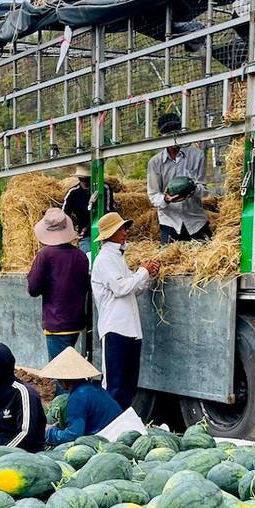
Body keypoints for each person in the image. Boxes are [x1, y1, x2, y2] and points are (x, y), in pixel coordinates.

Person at [90, 212, 158, 411]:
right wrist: (142, 272)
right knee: (115, 386)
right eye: (120, 229)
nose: (124, 232)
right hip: (115, 329)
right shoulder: (104, 260)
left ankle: (121, 425)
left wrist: (149, 276)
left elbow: (133, 288)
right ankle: (109, 427)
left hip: (129, 330)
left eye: (124, 228)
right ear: (109, 234)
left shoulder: (118, 258)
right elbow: (121, 288)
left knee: (128, 386)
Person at [26, 208, 91, 359]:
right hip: (76, 321)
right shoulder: (81, 256)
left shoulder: (45, 255)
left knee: (61, 373)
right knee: (72, 368)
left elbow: (33, 289)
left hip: (56, 323)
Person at [146, 113, 211, 245]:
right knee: (169, 262)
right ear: (161, 136)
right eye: (168, 135)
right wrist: (166, 199)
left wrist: (193, 190)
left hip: (196, 220)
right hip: (169, 221)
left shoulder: (197, 155)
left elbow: (203, 189)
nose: (173, 139)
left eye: (176, 133)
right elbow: (153, 194)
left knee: (206, 259)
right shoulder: (155, 162)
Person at [37, 347, 122, 445]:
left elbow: (72, 436)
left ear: (63, 380)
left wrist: (48, 432)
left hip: (110, 440)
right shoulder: (93, 387)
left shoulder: (78, 397)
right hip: (119, 432)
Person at [61, 163, 116, 255]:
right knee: (87, 256)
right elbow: (64, 215)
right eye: (81, 179)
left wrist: (88, 227)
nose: (85, 181)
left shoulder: (104, 188)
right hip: (85, 235)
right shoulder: (73, 193)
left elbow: (108, 211)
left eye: (87, 178)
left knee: (109, 255)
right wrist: (72, 231)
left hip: (105, 231)